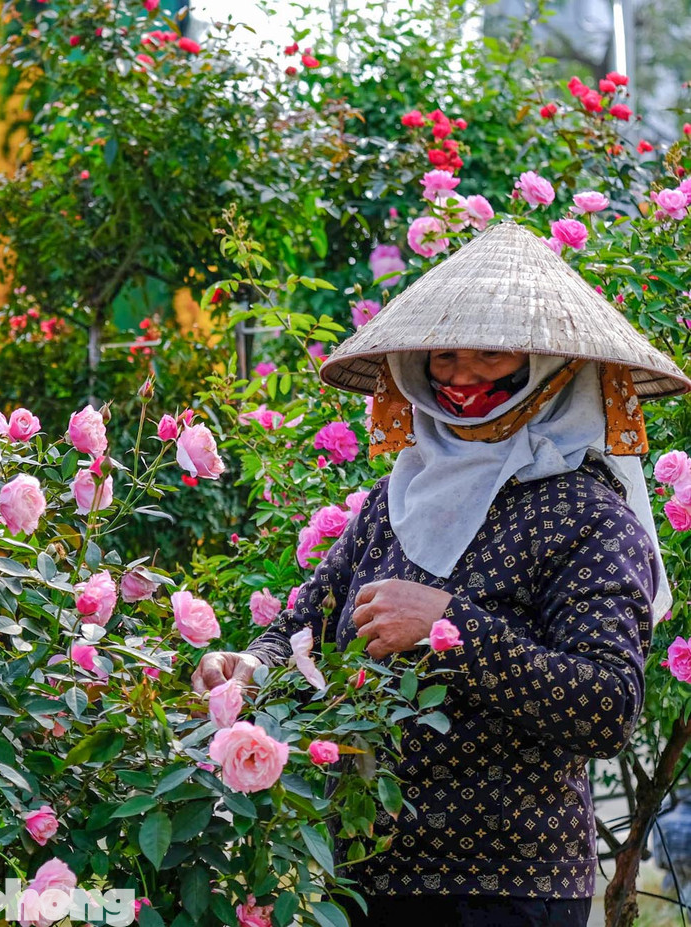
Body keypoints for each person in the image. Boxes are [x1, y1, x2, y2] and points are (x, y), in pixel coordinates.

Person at [192, 221, 687, 927]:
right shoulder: (399, 498)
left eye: (490, 354)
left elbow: (608, 704)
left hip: (509, 889)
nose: (459, 378)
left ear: (548, 366)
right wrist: (246, 666)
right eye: (445, 355)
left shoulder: (589, 516)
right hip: (367, 876)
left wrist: (448, 626)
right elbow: (300, 627)